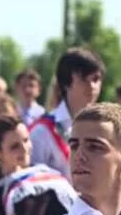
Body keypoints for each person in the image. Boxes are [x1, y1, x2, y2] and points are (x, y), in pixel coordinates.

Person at [31, 47, 104, 178]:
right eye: (83, 79)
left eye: (96, 79)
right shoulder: (42, 131)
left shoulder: (104, 128)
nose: (92, 86)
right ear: (65, 83)